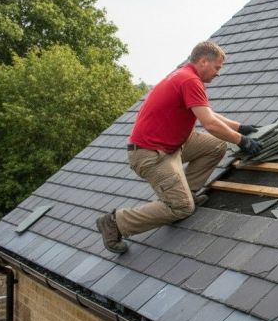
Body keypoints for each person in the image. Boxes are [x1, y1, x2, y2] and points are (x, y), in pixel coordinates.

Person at [96, 40, 262, 254]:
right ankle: (114, 222)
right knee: (182, 208)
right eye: (217, 67)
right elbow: (210, 124)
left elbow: (208, 115)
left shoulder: (185, 75)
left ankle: (186, 192)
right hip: (151, 155)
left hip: (173, 144)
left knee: (216, 146)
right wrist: (242, 141)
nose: (218, 73)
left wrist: (240, 127)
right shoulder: (189, 80)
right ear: (203, 61)